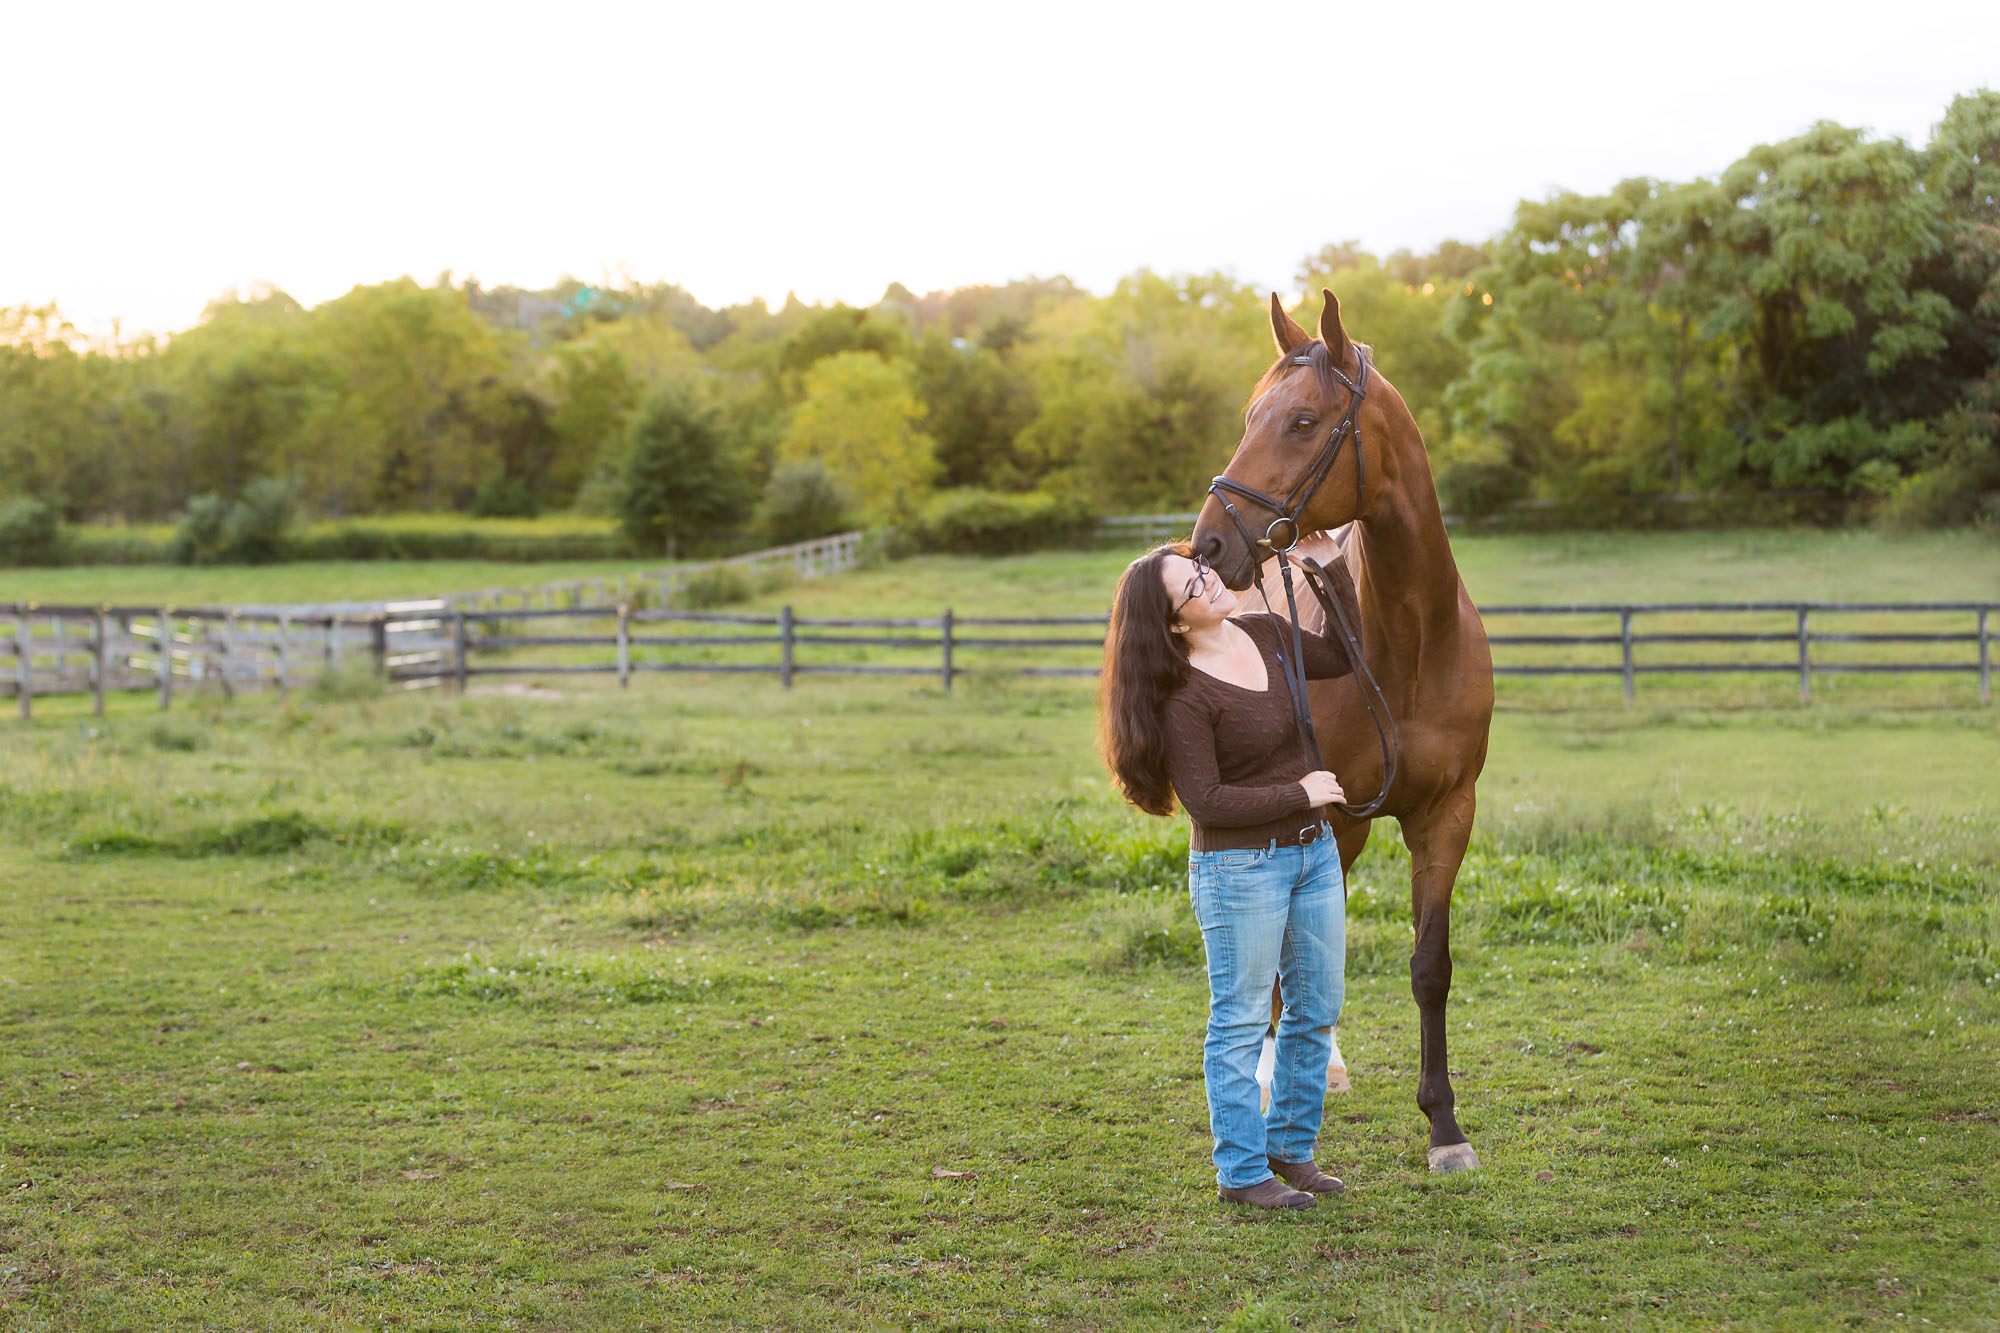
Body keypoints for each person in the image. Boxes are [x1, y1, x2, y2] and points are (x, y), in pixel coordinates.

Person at [1098, 539, 1358, 1210]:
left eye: (1203, 570)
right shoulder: (1181, 694)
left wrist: (1328, 568)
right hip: (1240, 867)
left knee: (1316, 1008)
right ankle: (1241, 1172)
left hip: (1315, 855)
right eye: (1193, 587)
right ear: (1175, 624)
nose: (1211, 582)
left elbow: (1344, 652)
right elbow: (1208, 801)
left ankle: (1288, 1149)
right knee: (1241, 1020)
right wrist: (1301, 792)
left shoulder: (1267, 631)